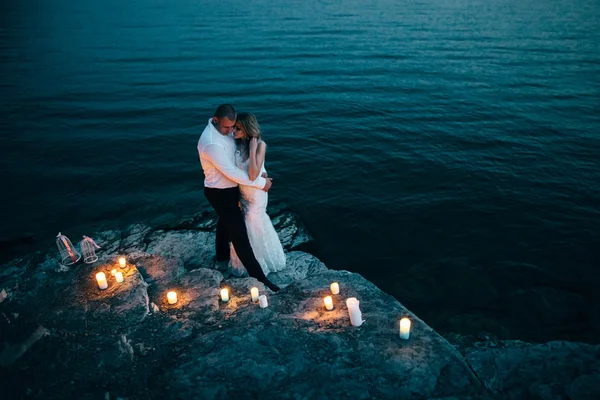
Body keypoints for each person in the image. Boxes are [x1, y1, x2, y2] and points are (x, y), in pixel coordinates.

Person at [197, 104, 280, 292]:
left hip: (235, 189)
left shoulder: (226, 131)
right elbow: (232, 172)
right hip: (220, 192)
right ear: (216, 120)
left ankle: (221, 257)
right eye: (227, 128)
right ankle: (260, 279)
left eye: (233, 127)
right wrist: (262, 183)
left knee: (224, 222)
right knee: (239, 234)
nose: (230, 131)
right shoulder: (211, 143)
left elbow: (253, 161)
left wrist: (262, 172)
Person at [228, 112, 286, 277]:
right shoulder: (236, 145)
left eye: (238, 129)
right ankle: (246, 261)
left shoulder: (260, 145)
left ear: (247, 129)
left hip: (256, 195)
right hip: (243, 194)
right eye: (234, 128)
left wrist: (252, 151)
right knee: (245, 224)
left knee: (253, 222)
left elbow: (253, 174)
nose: (234, 132)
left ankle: (259, 263)